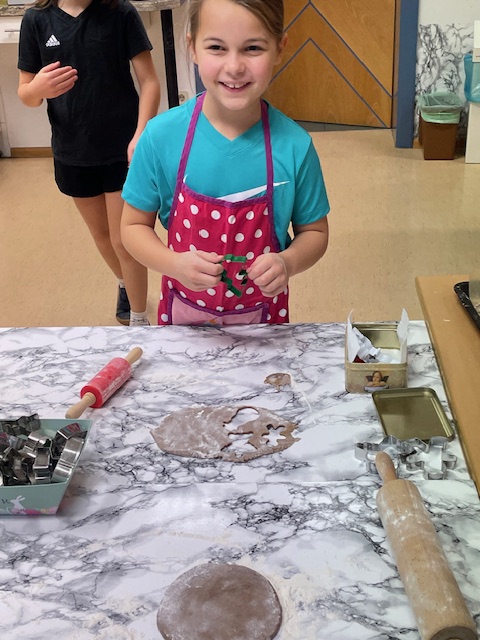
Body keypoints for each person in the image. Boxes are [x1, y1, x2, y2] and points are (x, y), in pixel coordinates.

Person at [121, 0, 329, 326]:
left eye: (253, 48)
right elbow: (132, 227)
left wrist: (288, 262)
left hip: (263, 327)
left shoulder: (295, 146)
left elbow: (315, 232)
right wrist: (174, 264)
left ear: (279, 49)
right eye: (217, 47)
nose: (234, 66)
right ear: (192, 47)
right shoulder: (160, 137)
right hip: (184, 323)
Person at [17, 0, 160, 326]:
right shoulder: (36, 19)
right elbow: (26, 94)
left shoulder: (120, 13)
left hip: (123, 150)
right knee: (103, 237)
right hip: (73, 152)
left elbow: (150, 81)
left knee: (125, 240)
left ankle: (139, 320)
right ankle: (125, 284)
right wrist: (37, 88)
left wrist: (141, 134)